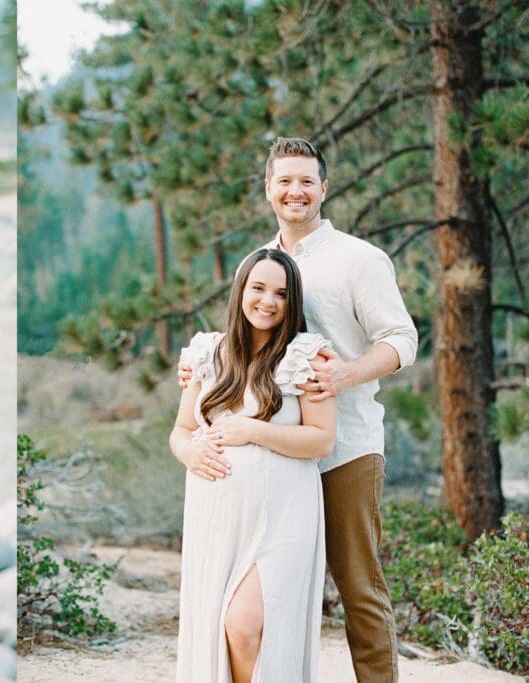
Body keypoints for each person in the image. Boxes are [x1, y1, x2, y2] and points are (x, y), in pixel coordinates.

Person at [179, 137, 418, 682]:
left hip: (343, 447)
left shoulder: (359, 259)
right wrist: (197, 372)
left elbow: (402, 338)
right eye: (284, 180)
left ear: (324, 189)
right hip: (269, 471)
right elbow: (236, 339)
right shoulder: (259, 263)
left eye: (306, 181)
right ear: (268, 189)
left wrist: (346, 373)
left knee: (357, 586)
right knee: (258, 606)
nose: (295, 191)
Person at [171, 248, 336, 682]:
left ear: (292, 301)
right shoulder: (207, 352)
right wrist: (188, 451)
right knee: (219, 629)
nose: (268, 301)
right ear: (240, 290)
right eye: (258, 288)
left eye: (281, 293)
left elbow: (321, 440)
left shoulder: (308, 356)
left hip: (283, 515)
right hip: (216, 518)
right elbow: (182, 429)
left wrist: (253, 431)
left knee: (244, 625)